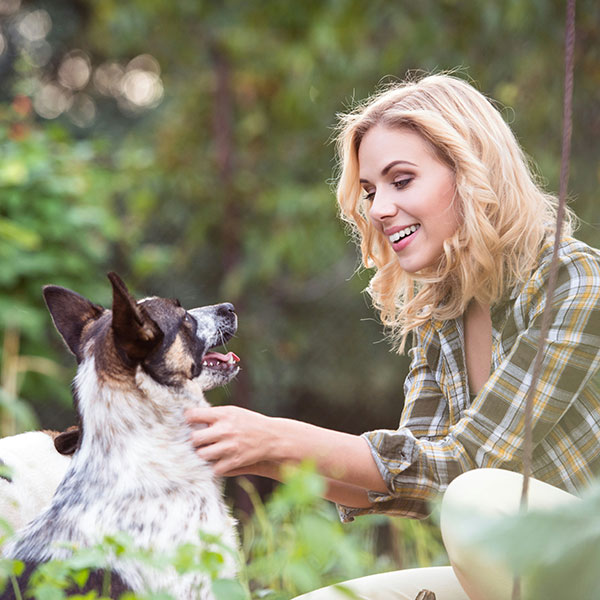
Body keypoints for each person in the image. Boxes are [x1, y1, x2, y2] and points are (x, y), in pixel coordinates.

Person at [185, 74, 600, 599]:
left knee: (475, 497)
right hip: (524, 569)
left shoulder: (573, 282)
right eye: (371, 190)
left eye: (401, 181)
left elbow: (465, 467)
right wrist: (252, 452)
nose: (378, 208)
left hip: (586, 561)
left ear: (473, 172)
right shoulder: (442, 314)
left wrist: (275, 434)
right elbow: (415, 485)